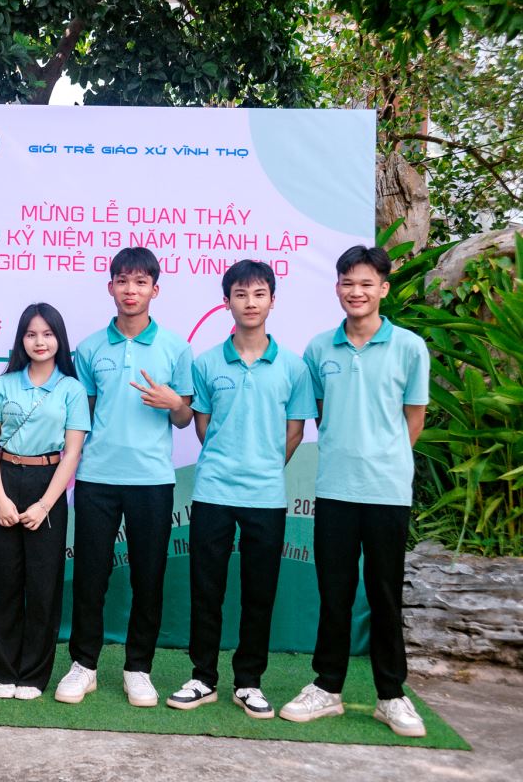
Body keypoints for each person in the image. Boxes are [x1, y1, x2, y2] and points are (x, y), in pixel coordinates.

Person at [280, 245, 430, 738]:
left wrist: (382, 460)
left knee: (384, 594)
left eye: (366, 284)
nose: (356, 292)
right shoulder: (319, 349)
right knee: (335, 593)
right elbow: (323, 414)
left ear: (383, 289)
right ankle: (327, 688)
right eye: (348, 283)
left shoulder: (409, 347)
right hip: (335, 490)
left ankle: (391, 695)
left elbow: (413, 421)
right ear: (337, 288)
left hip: (387, 492)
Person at [166, 260, 316, 718]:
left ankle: (249, 682)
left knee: (259, 593)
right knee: (206, 589)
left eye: (258, 294)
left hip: (266, 498)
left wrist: (264, 468)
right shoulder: (207, 362)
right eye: (240, 294)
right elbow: (203, 426)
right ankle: (203, 678)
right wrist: (228, 461)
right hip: (213, 493)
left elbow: (295, 431)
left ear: (272, 300)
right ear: (226, 302)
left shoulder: (293, 366)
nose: (250, 302)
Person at [57, 246, 194, 706]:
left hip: (152, 480)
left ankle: (139, 668)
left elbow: (185, 419)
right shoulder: (89, 348)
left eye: (140, 282)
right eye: (122, 281)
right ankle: (84, 665)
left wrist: (174, 404)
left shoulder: (175, 347)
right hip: (96, 477)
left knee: (148, 578)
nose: (130, 290)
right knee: (90, 576)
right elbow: (83, 415)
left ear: (155, 289)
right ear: (110, 287)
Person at [0, 303, 89, 701]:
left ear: (59, 339)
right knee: (1, 584)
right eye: (31, 334)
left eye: (47, 334)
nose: (39, 342)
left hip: (49, 484)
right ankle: (3, 671)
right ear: (21, 340)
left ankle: (33, 675)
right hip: (3, 479)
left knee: (42, 586)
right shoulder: (3, 384)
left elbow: (72, 452)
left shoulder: (72, 389)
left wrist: (44, 505)